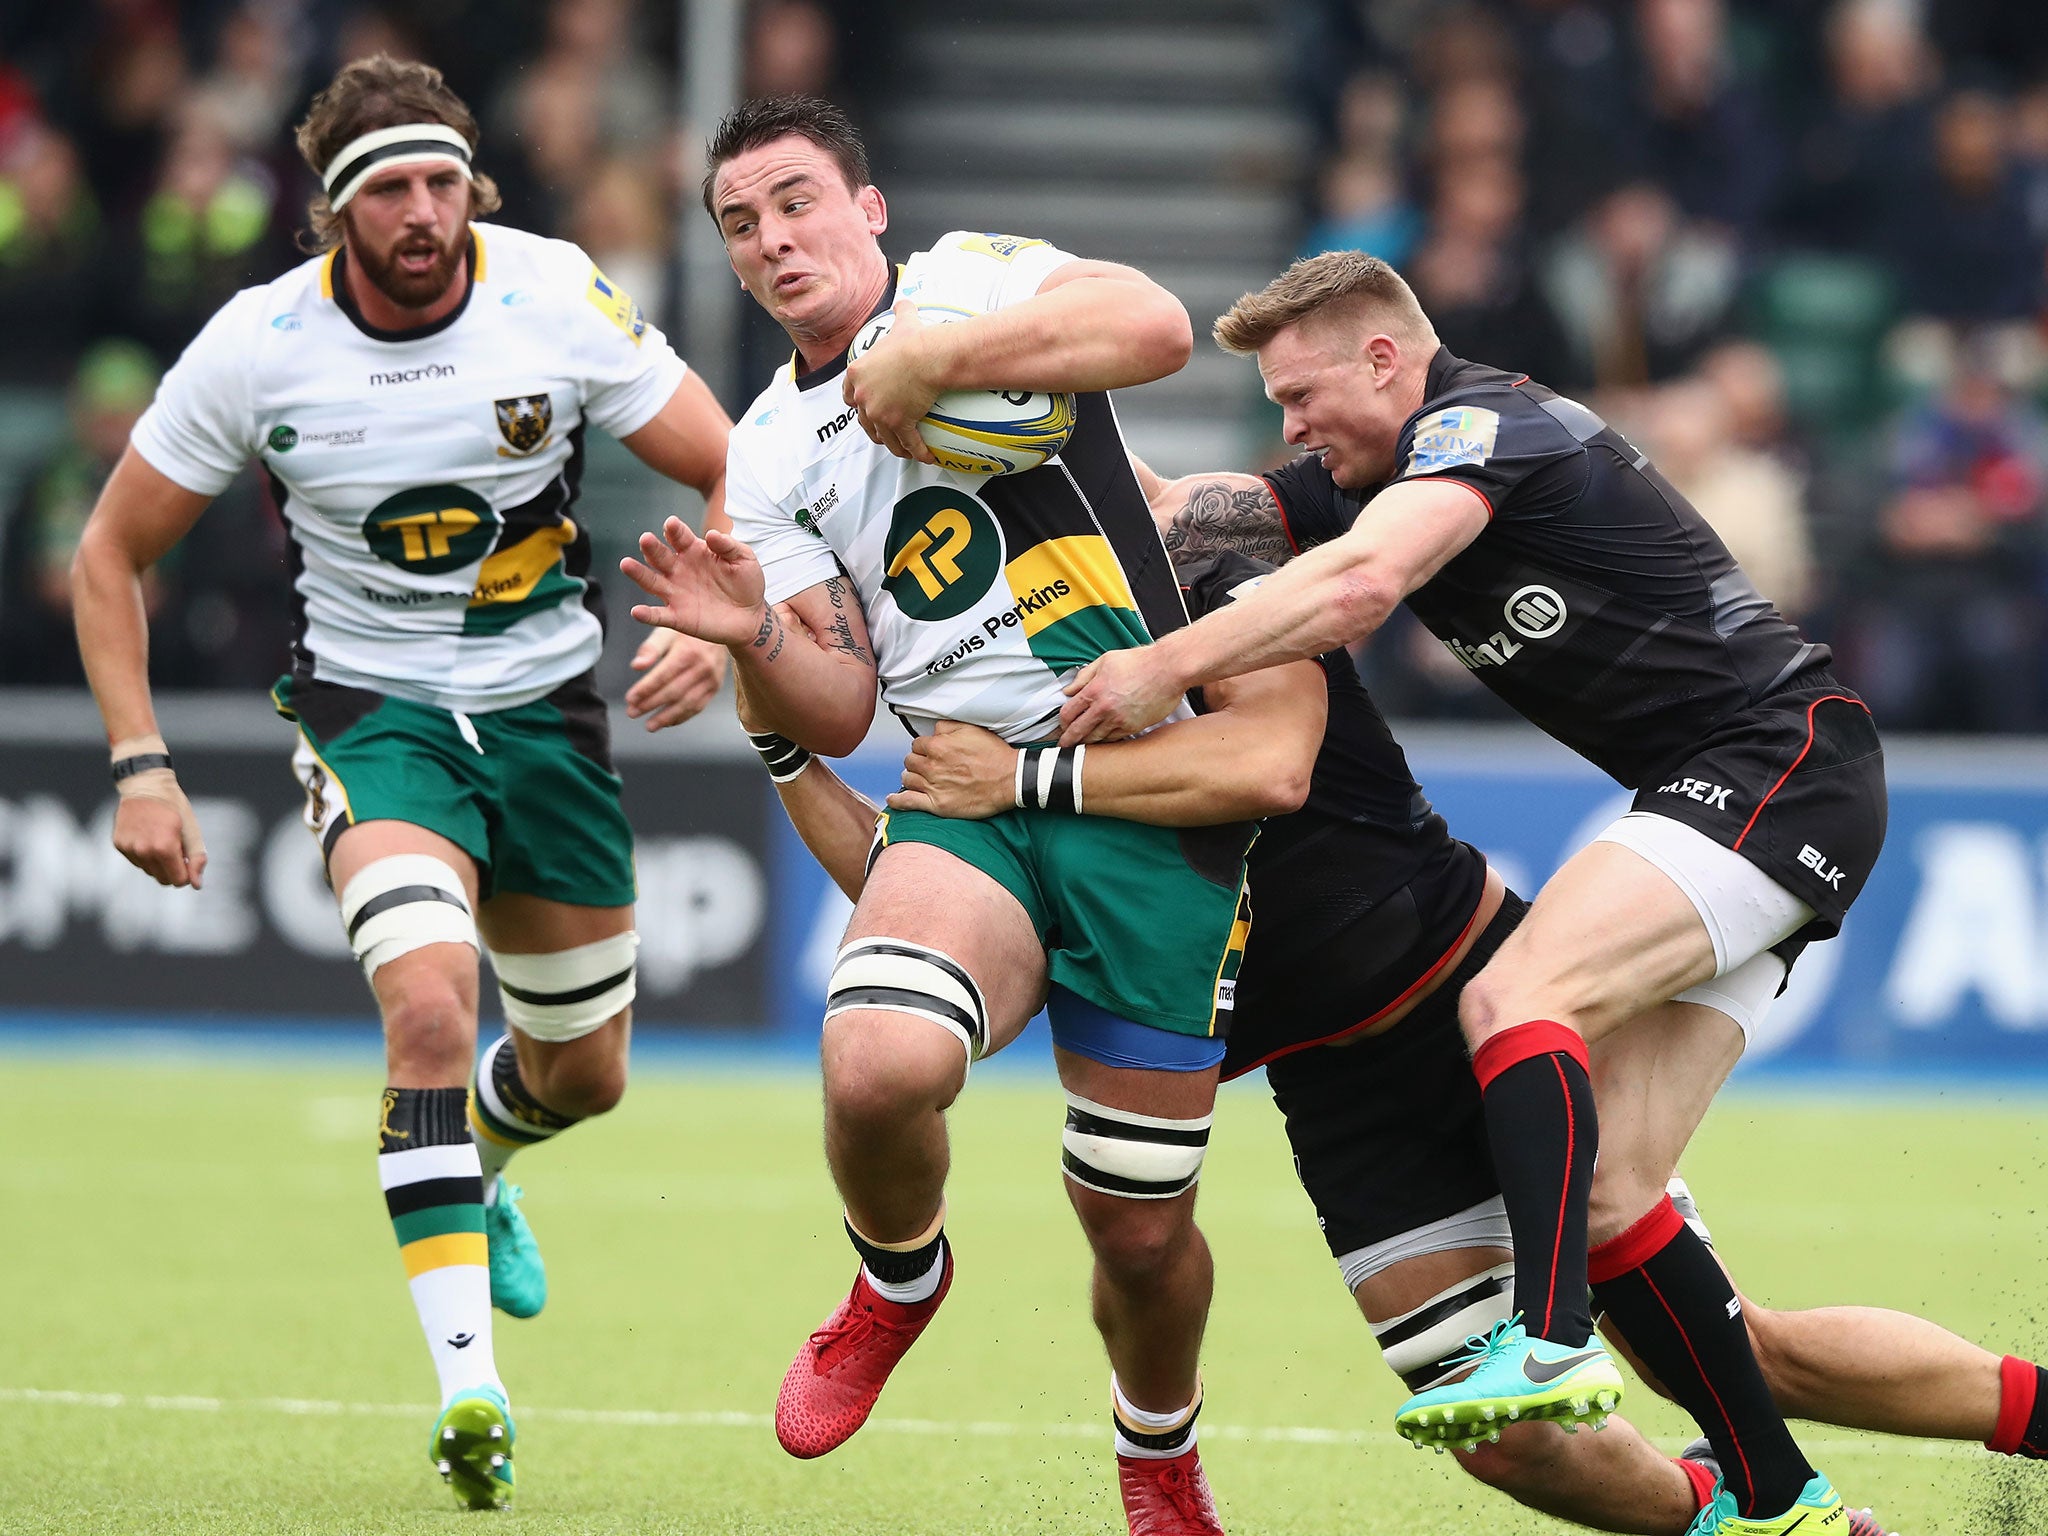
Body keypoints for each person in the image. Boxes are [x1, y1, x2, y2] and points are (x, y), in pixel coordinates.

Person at [777, 514, 2047, 1536]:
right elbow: (927, 894)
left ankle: (2026, 1418)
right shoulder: (971, 688)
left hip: (1474, 998)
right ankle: (1720, 1511)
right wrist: (786, 745)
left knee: (1734, 1354)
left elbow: (1266, 744)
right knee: (1498, 1438)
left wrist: (1043, 752)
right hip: (1335, 1099)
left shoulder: (1206, 572)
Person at [1058, 252, 1890, 1536]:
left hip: (1774, 763)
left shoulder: (1476, 427)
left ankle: (1551, 1342)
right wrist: (1044, 469)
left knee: (1516, 993)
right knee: (1613, 1197)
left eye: (1298, 395)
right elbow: (1192, 512)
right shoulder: (1376, 473)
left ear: (1383, 359)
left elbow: (1356, 588)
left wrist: (1154, 666)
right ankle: (1783, 1500)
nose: (1287, 428)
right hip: (1741, 790)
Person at [68, 55, 734, 1512]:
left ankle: (483, 1160)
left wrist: (707, 624)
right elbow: (111, 555)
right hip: (376, 719)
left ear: (472, 186)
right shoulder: (258, 346)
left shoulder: (553, 295)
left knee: (587, 1076)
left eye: (442, 182)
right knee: (428, 1006)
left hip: (549, 716)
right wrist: (140, 764)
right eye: (389, 190)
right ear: (337, 213)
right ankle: (470, 1389)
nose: (423, 212)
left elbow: (727, 465)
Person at [621, 92, 1278, 1535]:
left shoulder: (977, 275)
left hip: (1144, 786)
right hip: (962, 791)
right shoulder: (763, 455)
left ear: (867, 208)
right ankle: (897, 1279)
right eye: (741, 224)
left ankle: (1157, 1451)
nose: (773, 239)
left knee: (1142, 1234)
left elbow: (1158, 326)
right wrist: (753, 637)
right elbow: (843, 709)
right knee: (873, 1064)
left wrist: (937, 362)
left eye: (796, 202)